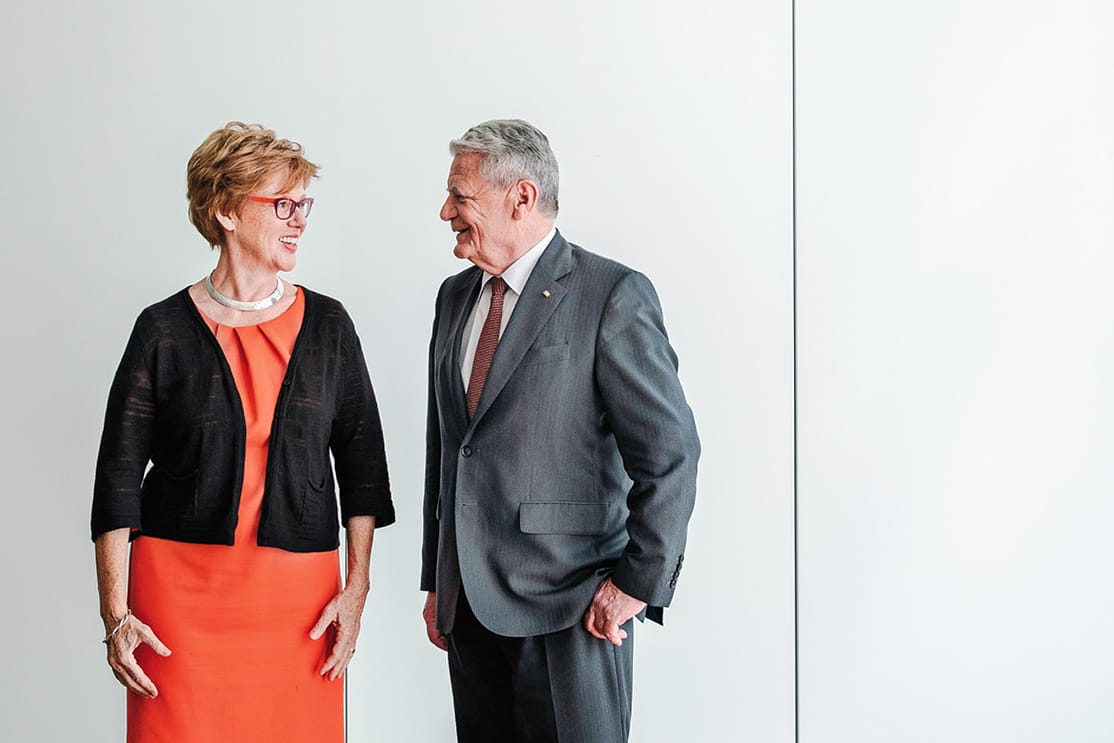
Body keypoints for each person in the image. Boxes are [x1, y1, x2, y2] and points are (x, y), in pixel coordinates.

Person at [91, 122, 394, 742]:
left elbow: (364, 474)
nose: (299, 219)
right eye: (282, 204)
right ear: (227, 210)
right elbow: (117, 481)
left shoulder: (330, 325)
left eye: (303, 204)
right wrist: (117, 615)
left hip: (299, 606)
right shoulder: (162, 330)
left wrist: (355, 591)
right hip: (178, 605)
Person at [420, 119, 700, 742]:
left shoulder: (613, 294)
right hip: (468, 607)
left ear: (519, 197)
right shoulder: (453, 297)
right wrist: (439, 580)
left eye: (459, 196)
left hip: (573, 607)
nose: (446, 212)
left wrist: (636, 583)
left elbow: (671, 452)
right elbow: (448, 449)